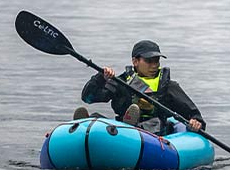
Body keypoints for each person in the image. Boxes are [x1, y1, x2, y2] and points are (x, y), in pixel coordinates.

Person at [73, 39, 205, 135]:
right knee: (96, 118)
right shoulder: (122, 82)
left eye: (156, 61)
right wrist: (100, 77)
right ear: (135, 61)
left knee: (151, 125)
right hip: (121, 130)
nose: (154, 65)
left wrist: (196, 122)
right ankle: (86, 124)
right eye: (149, 61)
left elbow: (194, 115)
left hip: (155, 134)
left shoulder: (169, 86)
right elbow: (88, 98)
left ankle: (131, 127)